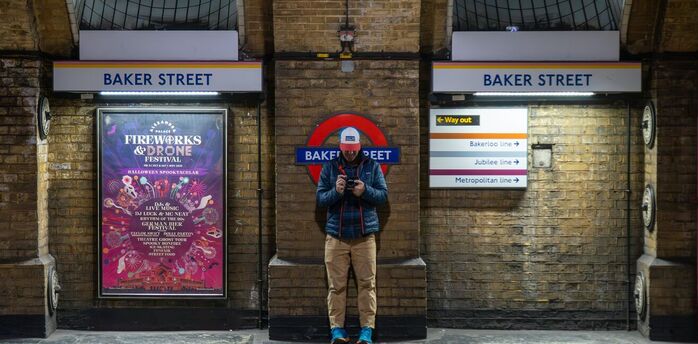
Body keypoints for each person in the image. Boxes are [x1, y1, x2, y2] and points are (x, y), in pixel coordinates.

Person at [316, 127, 388, 344]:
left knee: (368, 284)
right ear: (340, 146)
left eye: (353, 149)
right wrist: (335, 192)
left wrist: (365, 190)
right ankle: (337, 331)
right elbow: (320, 200)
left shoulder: (372, 166)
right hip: (335, 237)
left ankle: (367, 331)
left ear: (359, 146)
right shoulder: (329, 168)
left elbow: (383, 196)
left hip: (364, 237)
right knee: (335, 286)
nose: (350, 153)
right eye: (346, 149)